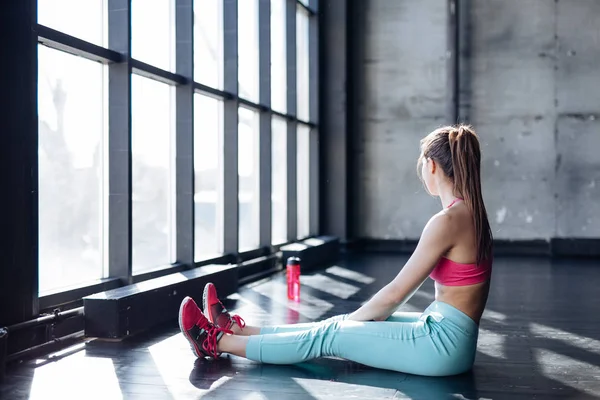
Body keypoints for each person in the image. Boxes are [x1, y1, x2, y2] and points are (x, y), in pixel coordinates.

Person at [178, 124, 493, 377]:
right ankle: (235, 330)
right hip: (447, 336)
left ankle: (216, 341)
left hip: (442, 347)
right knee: (335, 326)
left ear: (432, 166)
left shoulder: (448, 221)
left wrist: (351, 324)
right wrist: (352, 321)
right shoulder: (470, 213)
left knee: (334, 333)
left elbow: (396, 294)